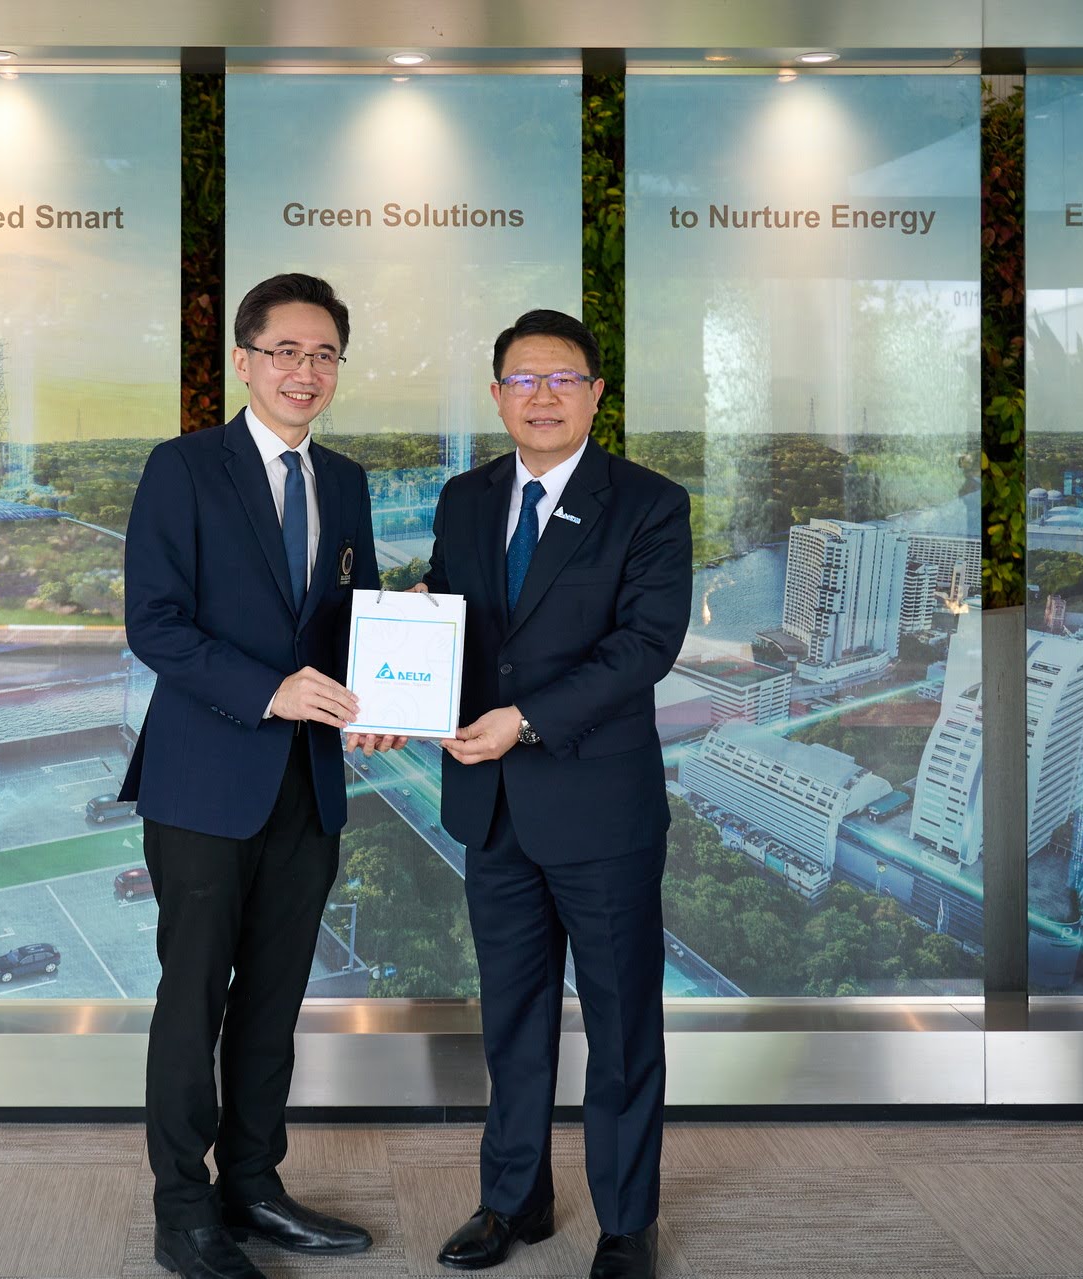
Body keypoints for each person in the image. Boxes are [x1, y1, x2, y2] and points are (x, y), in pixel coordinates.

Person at [120, 272, 403, 1279]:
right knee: (192, 1000)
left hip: (309, 784)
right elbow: (155, 623)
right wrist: (271, 690)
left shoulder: (349, 483)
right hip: (204, 781)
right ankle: (181, 1210)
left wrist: (381, 701)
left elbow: (356, 618)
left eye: (324, 354)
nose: (304, 371)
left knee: (274, 1000)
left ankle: (252, 1184)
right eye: (285, 351)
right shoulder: (184, 467)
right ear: (244, 361)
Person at [418, 309, 691, 1279]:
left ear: (596, 394)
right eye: (523, 380)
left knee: (621, 1024)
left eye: (562, 378)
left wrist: (524, 719)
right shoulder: (464, 498)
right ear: (497, 395)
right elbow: (448, 616)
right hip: (490, 807)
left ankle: (626, 1221)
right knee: (513, 1017)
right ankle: (514, 1200)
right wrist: (400, 678)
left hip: (599, 810)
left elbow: (644, 647)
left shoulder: (648, 504)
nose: (542, 396)